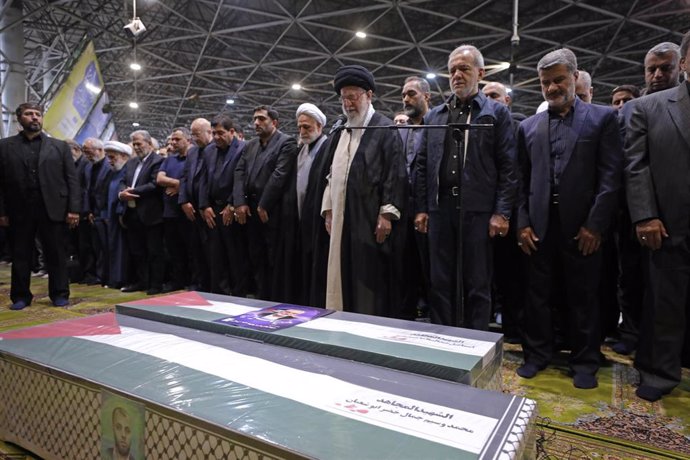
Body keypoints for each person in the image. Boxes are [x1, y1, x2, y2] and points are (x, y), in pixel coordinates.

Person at [515, 48, 623, 389]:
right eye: (545, 83)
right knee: (537, 295)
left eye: (559, 80)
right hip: (539, 225)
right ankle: (537, 355)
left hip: (583, 227)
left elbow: (610, 178)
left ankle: (585, 361)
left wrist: (596, 225)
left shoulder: (603, 119)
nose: (551, 88)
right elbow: (520, 181)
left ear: (575, 78)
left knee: (584, 296)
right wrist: (522, 223)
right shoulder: (528, 127)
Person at [414, 45, 517, 330]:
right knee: (440, 280)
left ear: (480, 73)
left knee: (477, 281)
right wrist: (422, 208)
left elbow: (509, 167)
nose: (457, 75)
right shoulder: (435, 115)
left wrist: (502, 213)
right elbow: (422, 165)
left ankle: (475, 343)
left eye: (464, 69)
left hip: (478, 212)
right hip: (440, 209)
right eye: (452, 71)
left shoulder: (496, 113)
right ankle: (444, 341)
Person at [624, 31, 690, 402]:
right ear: (685, 63)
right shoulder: (649, 107)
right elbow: (636, 166)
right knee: (664, 300)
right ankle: (660, 372)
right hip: (667, 220)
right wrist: (645, 215)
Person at [319, 64, 407, 317]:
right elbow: (331, 175)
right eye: (344, 98)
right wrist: (328, 210)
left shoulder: (384, 128)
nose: (348, 104)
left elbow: (395, 173)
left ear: (369, 95)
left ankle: (367, 326)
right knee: (340, 273)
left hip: (369, 220)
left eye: (353, 97)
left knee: (367, 278)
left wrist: (387, 214)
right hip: (341, 219)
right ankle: (340, 321)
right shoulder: (341, 131)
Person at [614, 41, 681, 356]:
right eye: (651, 69)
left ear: (679, 66)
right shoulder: (636, 108)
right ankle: (632, 335)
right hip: (637, 212)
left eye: (664, 68)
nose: (656, 75)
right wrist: (642, 213)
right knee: (635, 279)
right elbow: (630, 162)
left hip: (679, 214)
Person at [0, 102, 80, 310]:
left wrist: (73, 209)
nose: (34, 117)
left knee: (56, 254)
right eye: (29, 114)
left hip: (53, 209)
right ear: (19, 119)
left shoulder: (60, 147)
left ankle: (60, 294)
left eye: (37, 114)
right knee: (20, 255)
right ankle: (20, 297)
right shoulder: (4, 147)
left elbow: (72, 180)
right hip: (18, 210)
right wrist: (2, 212)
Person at [233, 106, 298, 301]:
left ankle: (275, 298)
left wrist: (264, 204)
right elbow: (239, 172)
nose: (256, 123)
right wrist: (239, 202)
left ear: (274, 123)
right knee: (255, 256)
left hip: (273, 210)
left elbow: (280, 175)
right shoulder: (250, 145)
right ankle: (261, 295)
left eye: (261, 119)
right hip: (250, 210)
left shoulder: (286, 142)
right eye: (255, 119)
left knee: (273, 258)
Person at [272, 103, 329, 304]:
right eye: (300, 127)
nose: (303, 131)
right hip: (298, 217)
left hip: (318, 221)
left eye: (307, 127)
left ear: (319, 127)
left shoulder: (327, 148)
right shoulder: (301, 150)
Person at [198, 115, 249, 296]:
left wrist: (231, 204)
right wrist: (204, 206)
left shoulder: (244, 148)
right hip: (212, 211)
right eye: (214, 133)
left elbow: (241, 179)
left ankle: (239, 293)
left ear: (232, 132)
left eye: (221, 133)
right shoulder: (209, 151)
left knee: (235, 255)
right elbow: (203, 179)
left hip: (231, 210)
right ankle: (219, 292)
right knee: (216, 256)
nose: (217, 137)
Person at [397, 76, 431, 319]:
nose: (406, 99)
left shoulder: (436, 125)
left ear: (426, 97)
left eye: (411, 94)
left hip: (429, 212)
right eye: (404, 95)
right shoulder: (400, 131)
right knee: (404, 271)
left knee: (431, 273)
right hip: (403, 212)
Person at [118, 130, 165, 295]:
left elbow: (155, 184)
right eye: (134, 144)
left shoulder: (158, 161)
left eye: (139, 143)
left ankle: (156, 284)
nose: (137, 147)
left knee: (154, 252)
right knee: (137, 251)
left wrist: (133, 191)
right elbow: (122, 181)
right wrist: (122, 192)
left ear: (149, 144)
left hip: (151, 214)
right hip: (131, 214)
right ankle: (141, 281)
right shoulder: (130, 163)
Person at [178, 118, 213, 291]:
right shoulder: (192, 152)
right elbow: (184, 178)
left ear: (209, 132)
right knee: (196, 250)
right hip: (192, 211)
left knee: (213, 252)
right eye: (191, 134)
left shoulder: (214, 150)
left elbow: (210, 181)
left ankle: (214, 286)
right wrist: (184, 200)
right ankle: (201, 283)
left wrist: (204, 205)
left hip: (210, 210)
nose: (193, 138)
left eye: (196, 134)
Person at [156, 127, 193, 292]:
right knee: (174, 250)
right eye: (172, 140)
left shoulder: (194, 157)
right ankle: (177, 280)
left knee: (191, 249)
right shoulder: (169, 160)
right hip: (170, 212)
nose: (172, 142)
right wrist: (179, 183)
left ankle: (194, 281)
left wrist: (180, 187)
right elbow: (159, 178)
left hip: (188, 212)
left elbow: (193, 180)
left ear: (188, 139)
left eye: (177, 139)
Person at [81, 138, 112, 286]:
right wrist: (89, 211)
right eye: (85, 152)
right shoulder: (88, 167)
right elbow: (87, 190)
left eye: (89, 151)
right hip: (93, 213)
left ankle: (107, 276)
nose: (87, 155)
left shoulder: (109, 166)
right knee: (96, 247)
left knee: (107, 247)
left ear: (100, 150)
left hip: (106, 213)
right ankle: (99, 275)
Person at [103, 141, 132, 289]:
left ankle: (122, 279)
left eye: (112, 157)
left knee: (123, 249)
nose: (110, 161)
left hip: (122, 217)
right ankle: (114, 279)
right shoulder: (113, 173)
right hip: (112, 217)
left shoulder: (127, 171)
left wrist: (121, 212)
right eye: (108, 158)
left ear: (123, 156)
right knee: (113, 248)